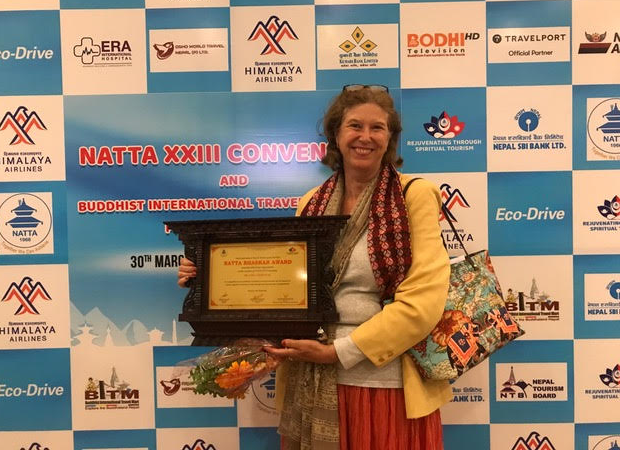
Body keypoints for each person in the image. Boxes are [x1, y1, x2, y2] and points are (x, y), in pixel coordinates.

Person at [178, 84, 451, 450]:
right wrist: (209, 275)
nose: (365, 137)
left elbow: (424, 303)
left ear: (390, 139)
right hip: (313, 377)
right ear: (336, 135)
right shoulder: (312, 203)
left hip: (386, 386)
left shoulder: (413, 195)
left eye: (377, 128)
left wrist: (338, 352)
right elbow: (284, 284)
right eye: (355, 125)